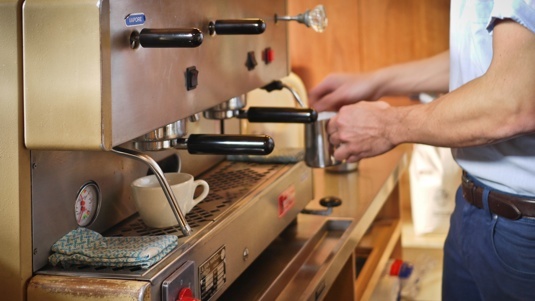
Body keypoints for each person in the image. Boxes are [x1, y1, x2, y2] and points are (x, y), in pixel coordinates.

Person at [308, 1, 535, 300]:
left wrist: (388, 126)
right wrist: (376, 82)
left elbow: (513, 102)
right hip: (473, 208)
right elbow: (481, 55)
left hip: (522, 232)